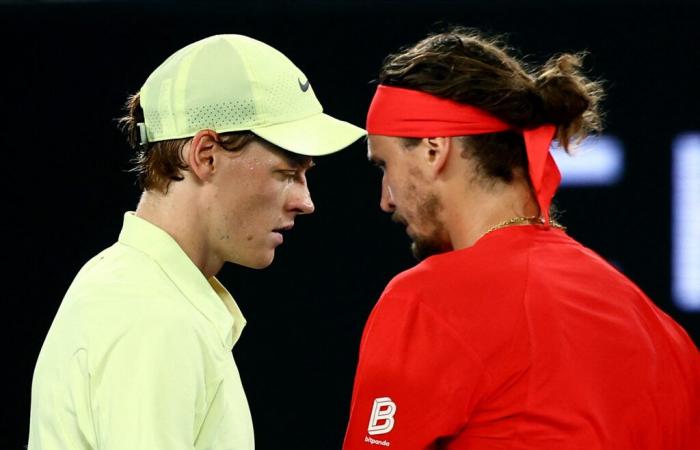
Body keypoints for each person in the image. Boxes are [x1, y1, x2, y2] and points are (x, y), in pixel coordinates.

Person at [343, 28, 700, 450]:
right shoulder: (663, 332)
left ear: (434, 149)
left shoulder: (426, 300)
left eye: (384, 166)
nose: (386, 199)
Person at [28, 34, 365, 450]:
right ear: (206, 154)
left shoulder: (131, 288)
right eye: (287, 172)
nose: (305, 202)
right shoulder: (155, 316)